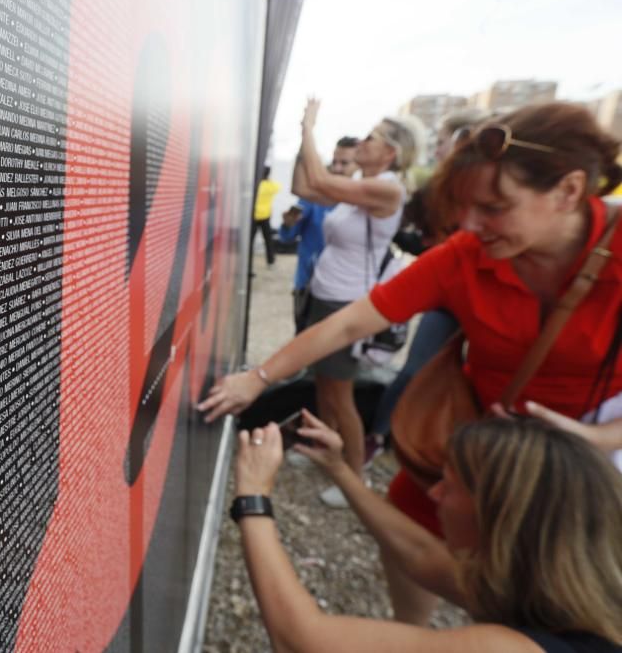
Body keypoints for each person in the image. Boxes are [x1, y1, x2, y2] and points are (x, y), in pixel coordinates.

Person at [200, 101, 622, 623]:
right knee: (413, 524)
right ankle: (413, 631)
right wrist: (258, 377)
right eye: (465, 207)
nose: (470, 224)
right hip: (476, 437)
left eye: (493, 207)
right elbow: (352, 322)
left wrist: (601, 440)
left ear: (569, 191)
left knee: (542, 595)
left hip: (581, 460)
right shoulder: (467, 254)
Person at [233, 412, 622, 652]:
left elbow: (301, 640)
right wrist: (338, 469)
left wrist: (253, 494)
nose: (434, 494)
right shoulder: (572, 585)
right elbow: (420, 555)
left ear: (500, 521)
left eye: (449, 485)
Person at [282, 98, 423, 508]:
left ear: (390, 153)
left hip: (347, 305)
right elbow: (304, 188)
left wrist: (309, 128)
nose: (363, 141)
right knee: (324, 386)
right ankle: (328, 453)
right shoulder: (359, 188)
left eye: (373, 137)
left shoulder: (386, 189)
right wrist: (299, 142)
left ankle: (355, 479)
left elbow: (323, 183)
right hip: (325, 297)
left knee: (341, 396)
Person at [368, 109, 491, 454]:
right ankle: (379, 438)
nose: (438, 151)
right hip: (449, 300)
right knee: (416, 371)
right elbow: (423, 241)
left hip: (483, 297)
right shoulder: (432, 191)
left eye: (443, 143)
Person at [282, 136, 359, 332]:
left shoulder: (366, 204)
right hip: (309, 287)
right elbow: (287, 237)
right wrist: (289, 224)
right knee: (304, 342)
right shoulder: (315, 198)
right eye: (334, 162)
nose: (337, 168)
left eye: (345, 163)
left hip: (346, 292)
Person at [252, 166, 281, 266]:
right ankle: (270, 261)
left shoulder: (256, 185)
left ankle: (248, 261)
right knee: (268, 240)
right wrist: (269, 180)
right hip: (265, 216)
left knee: (250, 241)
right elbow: (278, 187)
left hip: (254, 216)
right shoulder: (270, 186)